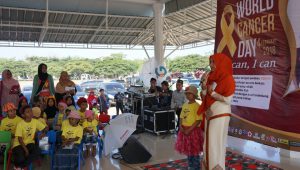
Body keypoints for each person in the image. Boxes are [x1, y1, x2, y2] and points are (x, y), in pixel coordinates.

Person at [198, 53, 235, 170]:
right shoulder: (211, 77)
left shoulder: (228, 78)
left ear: (221, 63)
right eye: (210, 62)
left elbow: (228, 100)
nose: (211, 65)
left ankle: (215, 167)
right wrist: (204, 86)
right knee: (209, 143)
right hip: (209, 113)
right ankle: (209, 166)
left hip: (221, 114)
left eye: (213, 62)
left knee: (215, 143)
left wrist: (212, 93)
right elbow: (205, 96)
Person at [175, 86, 203, 170]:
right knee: (188, 150)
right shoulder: (185, 105)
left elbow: (198, 120)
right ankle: (190, 166)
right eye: (186, 94)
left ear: (194, 95)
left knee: (194, 150)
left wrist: (190, 130)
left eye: (189, 94)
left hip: (193, 131)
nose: (187, 95)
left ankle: (196, 167)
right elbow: (181, 117)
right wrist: (181, 127)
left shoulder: (197, 106)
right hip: (184, 130)